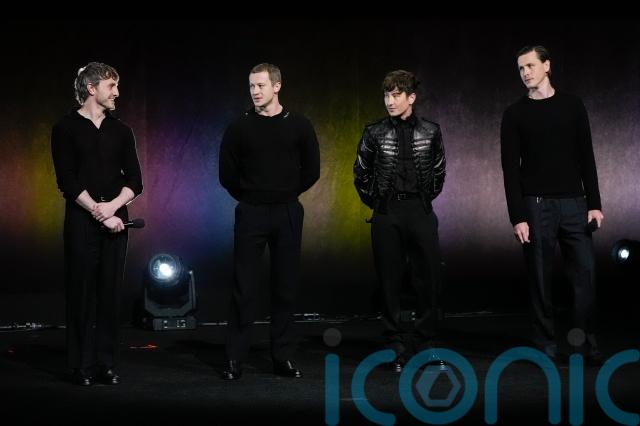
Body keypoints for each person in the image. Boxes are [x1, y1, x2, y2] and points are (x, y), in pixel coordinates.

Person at [500, 45, 604, 365]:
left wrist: (594, 203)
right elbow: (510, 170)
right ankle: (544, 343)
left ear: (547, 65)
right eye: (521, 68)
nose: (525, 73)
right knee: (540, 279)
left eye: (530, 65)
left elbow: (586, 155)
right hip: (536, 206)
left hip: (575, 204)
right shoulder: (514, 114)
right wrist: (518, 216)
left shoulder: (573, 105)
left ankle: (584, 343)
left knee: (585, 275)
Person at [219, 63, 320, 380]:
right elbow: (226, 174)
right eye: (251, 86)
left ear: (277, 86)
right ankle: (235, 357)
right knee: (244, 285)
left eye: (260, 85)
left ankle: (282, 357)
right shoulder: (239, 127)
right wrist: (252, 196)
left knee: (285, 286)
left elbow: (312, 170)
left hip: (287, 210)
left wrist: (286, 193)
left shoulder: (299, 125)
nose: (255, 91)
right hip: (251, 211)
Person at [51, 62, 143, 385]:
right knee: (81, 293)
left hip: (117, 221)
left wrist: (113, 208)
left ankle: (106, 364)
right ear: (91, 88)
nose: (117, 92)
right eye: (111, 86)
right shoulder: (65, 128)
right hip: (82, 221)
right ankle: (81, 365)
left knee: (110, 293)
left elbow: (135, 181)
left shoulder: (122, 131)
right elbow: (67, 180)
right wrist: (98, 211)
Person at [353, 70, 446, 372]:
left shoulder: (431, 131)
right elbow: (361, 173)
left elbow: (439, 171)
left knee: (427, 280)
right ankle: (394, 345)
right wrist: (379, 204)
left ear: (411, 97)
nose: (390, 101)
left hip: (420, 211)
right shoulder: (374, 132)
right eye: (386, 95)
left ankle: (425, 344)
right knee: (389, 281)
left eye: (396, 95)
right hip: (387, 213)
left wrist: (423, 201)